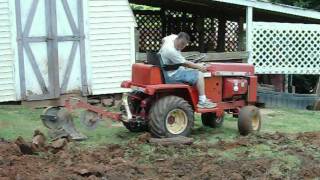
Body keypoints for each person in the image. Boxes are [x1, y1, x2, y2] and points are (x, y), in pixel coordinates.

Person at [159, 32, 217, 109]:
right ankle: (202, 101)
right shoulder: (171, 51)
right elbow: (185, 63)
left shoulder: (171, 38)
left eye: (184, 45)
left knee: (188, 69)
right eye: (181, 43)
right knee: (199, 74)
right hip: (171, 75)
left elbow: (163, 39)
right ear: (177, 39)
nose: (182, 47)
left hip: (169, 70)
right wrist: (199, 67)